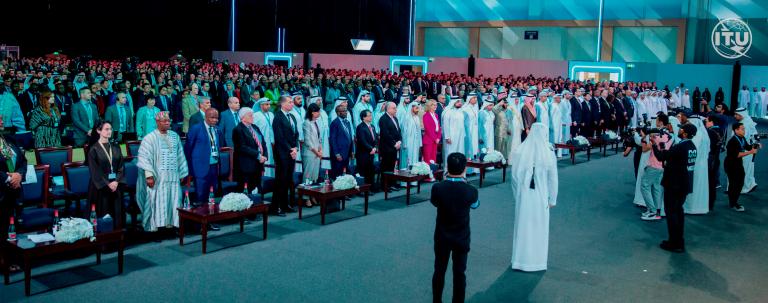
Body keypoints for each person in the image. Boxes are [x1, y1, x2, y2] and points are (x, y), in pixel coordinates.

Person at [431, 152, 479, 303]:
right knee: (459, 273)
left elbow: (435, 202)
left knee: (439, 270)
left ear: (447, 167)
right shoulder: (471, 190)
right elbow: (475, 205)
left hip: (442, 236)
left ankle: (437, 301)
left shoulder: (437, 188)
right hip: (461, 237)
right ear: (464, 169)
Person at [510, 122, 558, 271]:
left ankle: (519, 261)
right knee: (539, 227)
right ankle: (537, 262)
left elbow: (514, 177)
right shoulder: (548, 153)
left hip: (524, 196)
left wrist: (517, 195)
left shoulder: (520, 151)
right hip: (541, 195)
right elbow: (553, 179)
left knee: (523, 226)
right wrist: (552, 199)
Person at [136, 111, 189, 232]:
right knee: (157, 203)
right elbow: (144, 158)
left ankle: (171, 226)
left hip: (173, 177)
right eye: (164, 121)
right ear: (157, 122)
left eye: (168, 121)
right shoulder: (149, 138)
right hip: (157, 178)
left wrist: (181, 173)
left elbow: (180, 155)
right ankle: (155, 229)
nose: (167, 123)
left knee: (174, 200)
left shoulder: (175, 136)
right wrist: (149, 176)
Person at [652, 123, 698, 253]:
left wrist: (655, 145)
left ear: (685, 133)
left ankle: (674, 243)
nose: (679, 130)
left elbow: (661, 157)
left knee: (672, 213)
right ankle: (678, 240)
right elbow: (673, 157)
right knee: (678, 212)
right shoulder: (691, 146)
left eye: (681, 129)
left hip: (674, 185)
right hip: (684, 184)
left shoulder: (681, 146)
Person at [86, 121, 126, 228]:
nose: (109, 132)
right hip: (101, 187)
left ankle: (117, 237)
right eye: (106, 129)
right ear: (99, 131)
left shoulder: (116, 147)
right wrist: (108, 183)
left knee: (116, 213)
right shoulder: (93, 149)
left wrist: (116, 181)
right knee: (103, 214)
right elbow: (95, 171)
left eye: (110, 129)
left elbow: (121, 166)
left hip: (115, 185)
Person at [184, 108, 223, 212]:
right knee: (200, 197)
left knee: (212, 195)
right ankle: (200, 224)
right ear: (205, 117)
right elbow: (188, 148)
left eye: (216, 118)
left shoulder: (217, 129)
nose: (215, 120)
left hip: (214, 166)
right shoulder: (196, 128)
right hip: (200, 168)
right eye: (212, 117)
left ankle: (210, 219)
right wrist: (190, 168)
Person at [0, 115, 27, 241]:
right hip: (2, 190)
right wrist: (9, 178)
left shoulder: (8, 138)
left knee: (11, 231)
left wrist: (19, 175)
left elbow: (23, 161)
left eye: (1, 118)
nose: (1, 121)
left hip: (13, 193)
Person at [272, 95, 299, 216]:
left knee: (288, 180)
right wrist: (290, 149)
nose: (292, 104)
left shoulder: (292, 116)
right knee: (280, 180)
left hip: (292, 152)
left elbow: (296, 134)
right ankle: (276, 207)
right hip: (283, 153)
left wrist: (295, 148)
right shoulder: (278, 117)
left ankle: (285, 204)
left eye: (292, 102)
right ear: (282, 104)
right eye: (289, 102)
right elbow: (279, 137)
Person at [725, 122, 760, 212]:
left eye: (744, 128)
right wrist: (751, 152)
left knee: (739, 183)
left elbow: (748, 147)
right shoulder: (732, 141)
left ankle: (733, 201)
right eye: (742, 129)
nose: (744, 130)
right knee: (734, 184)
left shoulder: (742, 138)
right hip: (731, 165)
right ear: (736, 130)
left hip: (738, 164)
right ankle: (733, 203)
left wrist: (756, 146)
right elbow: (736, 154)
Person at [232, 107, 267, 195]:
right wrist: (258, 155)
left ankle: (259, 207)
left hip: (258, 164)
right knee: (247, 191)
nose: (253, 117)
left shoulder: (255, 127)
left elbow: (262, 142)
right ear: (243, 117)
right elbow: (242, 147)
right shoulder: (238, 130)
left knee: (257, 189)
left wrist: (265, 155)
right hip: (246, 166)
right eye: (250, 115)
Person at [683, 115, 710, 215]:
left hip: (695, 164)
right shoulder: (704, 133)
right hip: (702, 164)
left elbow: (692, 149)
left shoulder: (697, 135)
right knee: (700, 186)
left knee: (693, 185)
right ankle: (700, 206)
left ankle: (691, 207)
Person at [301, 103, 323, 206]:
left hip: (317, 153)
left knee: (315, 175)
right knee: (308, 175)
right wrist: (316, 152)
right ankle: (305, 197)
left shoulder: (315, 122)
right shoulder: (307, 123)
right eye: (317, 111)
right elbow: (307, 141)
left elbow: (319, 138)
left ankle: (312, 194)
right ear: (312, 112)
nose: (319, 113)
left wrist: (320, 149)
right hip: (310, 153)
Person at [734, 108, 759, 193]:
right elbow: (755, 135)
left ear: (741, 115)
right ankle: (750, 185)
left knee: (743, 169)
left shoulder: (744, 124)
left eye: (736, 114)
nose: (735, 116)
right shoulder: (749, 120)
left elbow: (742, 137)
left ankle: (745, 187)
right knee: (748, 168)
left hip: (745, 150)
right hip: (751, 148)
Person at [378, 101, 402, 190]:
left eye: (395, 108)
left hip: (395, 147)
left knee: (392, 166)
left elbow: (398, 131)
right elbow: (385, 134)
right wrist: (394, 143)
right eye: (394, 108)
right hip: (387, 147)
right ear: (388, 109)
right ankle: (385, 185)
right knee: (385, 166)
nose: (396, 110)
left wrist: (399, 141)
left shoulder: (395, 118)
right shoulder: (383, 119)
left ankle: (392, 183)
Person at [356, 109, 378, 190]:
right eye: (369, 116)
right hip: (363, 154)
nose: (371, 117)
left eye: (371, 115)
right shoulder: (360, 127)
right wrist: (371, 148)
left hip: (371, 153)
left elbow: (375, 138)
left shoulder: (372, 126)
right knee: (363, 172)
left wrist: (375, 148)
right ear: (363, 117)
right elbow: (362, 141)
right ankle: (363, 190)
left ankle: (371, 188)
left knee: (370, 171)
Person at [253, 98, 275, 177]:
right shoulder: (256, 115)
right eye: (266, 104)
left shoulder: (271, 114)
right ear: (261, 105)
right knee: (264, 161)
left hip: (271, 143)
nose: (269, 106)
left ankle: (271, 180)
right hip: (261, 144)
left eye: (269, 104)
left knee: (271, 161)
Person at [329, 104, 354, 178]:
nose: (346, 112)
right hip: (339, 154)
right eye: (344, 111)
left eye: (346, 111)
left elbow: (350, 137)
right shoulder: (334, 123)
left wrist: (352, 150)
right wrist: (336, 153)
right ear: (338, 113)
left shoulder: (347, 122)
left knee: (345, 174)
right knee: (338, 175)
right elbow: (333, 140)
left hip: (347, 153)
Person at [705, 116, 722, 211]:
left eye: (706, 121)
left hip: (710, 160)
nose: (705, 123)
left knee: (709, 182)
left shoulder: (711, 132)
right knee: (712, 182)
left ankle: (709, 202)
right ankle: (711, 202)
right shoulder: (719, 131)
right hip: (715, 160)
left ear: (712, 122)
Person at [442, 96, 466, 166]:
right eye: (458, 102)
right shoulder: (448, 112)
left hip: (460, 136)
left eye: (460, 102)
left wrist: (463, 134)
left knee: (460, 153)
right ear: (453, 102)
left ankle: (459, 171)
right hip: (451, 137)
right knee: (451, 153)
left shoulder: (460, 112)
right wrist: (447, 137)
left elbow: (462, 124)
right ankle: (448, 172)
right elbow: (445, 126)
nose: (459, 103)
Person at [400, 101, 423, 168]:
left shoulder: (417, 118)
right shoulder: (406, 118)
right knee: (408, 158)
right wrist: (404, 143)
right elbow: (404, 132)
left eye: (418, 108)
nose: (417, 110)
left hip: (416, 141)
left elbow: (419, 131)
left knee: (415, 157)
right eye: (416, 108)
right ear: (411, 108)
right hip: (408, 141)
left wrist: (420, 143)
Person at [422, 100, 441, 166]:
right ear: (429, 106)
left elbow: (438, 127)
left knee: (433, 158)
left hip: (435, 140)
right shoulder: (426, 115)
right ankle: (428, 175)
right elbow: (428, 129)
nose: (435, 106)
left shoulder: (436, 115)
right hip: (429, 140)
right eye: (433, 105)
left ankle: (432, 174)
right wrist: (435, 138)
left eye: (436, 105)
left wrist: (438, 137)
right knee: (428, 159)